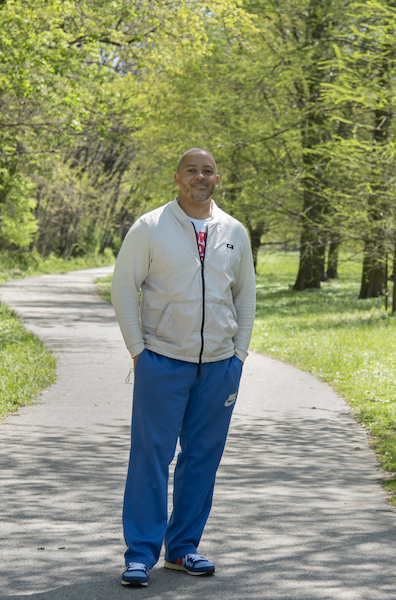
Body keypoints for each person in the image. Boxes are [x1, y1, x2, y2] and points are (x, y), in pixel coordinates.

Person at [110, 147, 256, 588]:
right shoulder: (150, 227)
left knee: (201, 459)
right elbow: (123, 287)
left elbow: (245, 295)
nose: (200, 177)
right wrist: (139, 351)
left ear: (217, 179)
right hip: (162, 361)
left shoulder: (233, 230)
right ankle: (140, 554)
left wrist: (239, 355)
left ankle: (183, 549)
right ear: (177, 178)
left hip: (219, 366)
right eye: (191, 170)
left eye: (207, 171)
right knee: (151, 457)